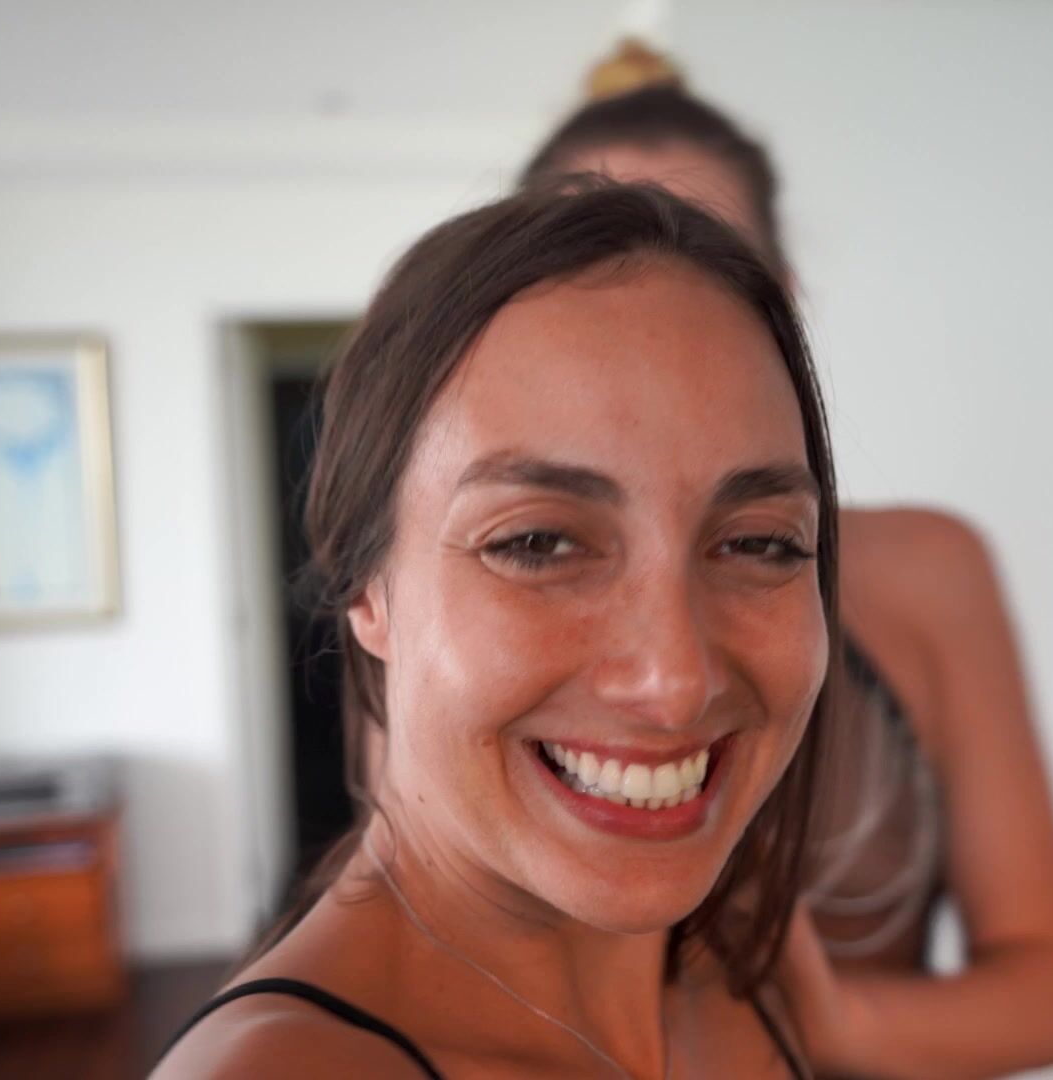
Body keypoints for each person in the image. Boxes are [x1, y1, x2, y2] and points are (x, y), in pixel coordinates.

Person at [156, 182, 838, 1077]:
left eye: (757, 543)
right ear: (366, 586)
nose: (675, 682)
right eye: (537, 543)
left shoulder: (742, 964)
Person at [519, 42, 1053, 1078]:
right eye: (582, 276)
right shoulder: (449, 606)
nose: (672, 677)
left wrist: (827, 1023)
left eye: (702, 269)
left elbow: (1045, 992)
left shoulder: (926, 572)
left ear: (778, 304)